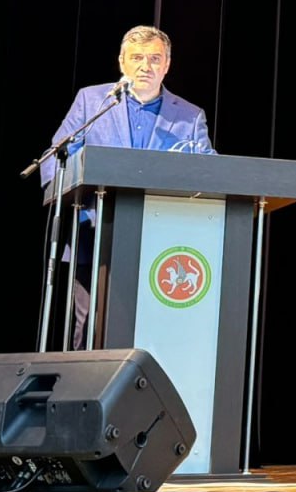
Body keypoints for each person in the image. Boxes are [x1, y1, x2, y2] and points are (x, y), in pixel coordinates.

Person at [39, 25, 217, 349]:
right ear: (122, 62)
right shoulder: (93, 101)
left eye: (154, 59)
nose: (145, 66)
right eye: (136, 58)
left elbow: (210, 172)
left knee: (154, 330)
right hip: (96, 234)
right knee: (92, 329)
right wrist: (60, 190)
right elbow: (56, 156)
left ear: (167, 65)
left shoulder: (190, 117)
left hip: (164, 241)